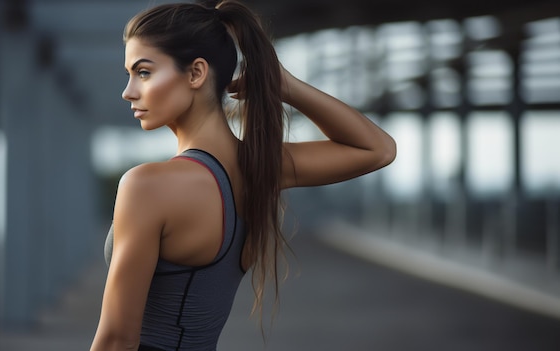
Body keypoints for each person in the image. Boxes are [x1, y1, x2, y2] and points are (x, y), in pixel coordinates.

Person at [90, 1, 396, 350]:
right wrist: (287, 87)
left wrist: (279, 82)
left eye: (143, 72)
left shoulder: (147, 186)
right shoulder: (261, 168)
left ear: (195, 74)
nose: (128, 91)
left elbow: (117, 339)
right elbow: (377, 149)